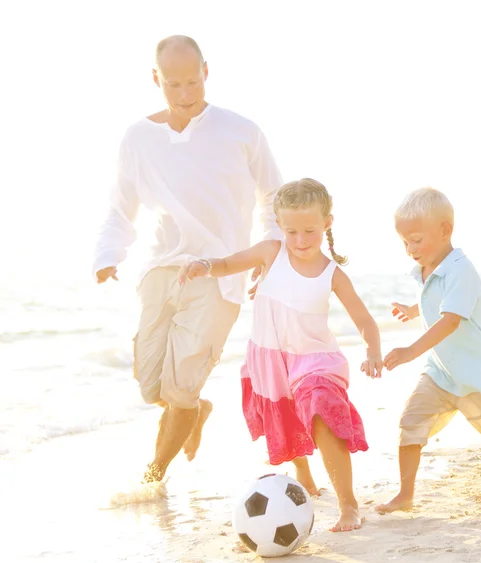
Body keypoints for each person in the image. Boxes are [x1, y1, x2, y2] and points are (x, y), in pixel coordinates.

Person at [93, 35, 283, 483]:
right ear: (155, 79)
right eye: (173, 85)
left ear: (206, 72)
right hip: (161, 268)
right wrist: (107, 253)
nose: (184, 95)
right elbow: (122, 206)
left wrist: (268, 250)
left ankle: (154, 475)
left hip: (221, 272)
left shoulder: (241, 130)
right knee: (149, 385)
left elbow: (274, 195)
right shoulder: (138, 138)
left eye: (192, 83)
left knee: (178, 390)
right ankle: (197, 409)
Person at [179, 178, 382, 531]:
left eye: (310, 231)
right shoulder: (271, 252)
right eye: (292, 232)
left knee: (320, 412)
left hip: (315, 360)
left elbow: (363, 317)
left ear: (327, 223)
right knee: (288, 420)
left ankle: (349, 506)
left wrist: (373, 349)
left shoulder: (332, 273)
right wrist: (205, 265)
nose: (301, 241)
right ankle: (305, 475)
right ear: (280, 228)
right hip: (271, 359)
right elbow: (228, 264)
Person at [375, 187, 481, 513]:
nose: (410, 249)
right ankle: (405, 494)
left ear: (445, 231)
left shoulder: (461, 269)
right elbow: (437, 298)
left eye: (416, 240)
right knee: (410, 421)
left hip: (476, 375)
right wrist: (413, 310)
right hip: (441, 371)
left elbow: (450, 320)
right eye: (404, 243)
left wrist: (410, 350)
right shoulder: (428, 267)